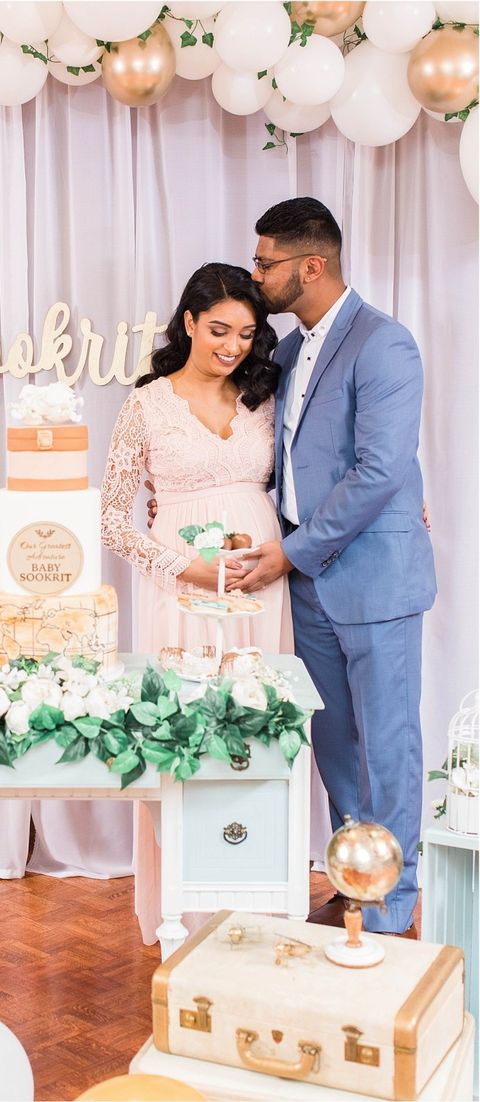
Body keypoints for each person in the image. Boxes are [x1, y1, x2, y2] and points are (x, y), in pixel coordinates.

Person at [225, 197, 436, 937]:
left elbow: (379, 471)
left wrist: (292, 548)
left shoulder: (385, 344)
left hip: (373, 579)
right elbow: (283, 455)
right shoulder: (286, 349)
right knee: (335, 744)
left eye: (266, 264)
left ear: (311, 266)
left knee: (388, 744)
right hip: (308, 585)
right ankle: (356, 877)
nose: (257, 277)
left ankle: (393, 902)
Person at [100, 262, 293, 944]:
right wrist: (188, 566)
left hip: (260, 594)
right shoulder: (145, 404)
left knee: (254, 736)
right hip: (178, 596)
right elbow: (113, 521)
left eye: (245, 332)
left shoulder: (264, 396)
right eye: (218, 330)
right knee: (184, 739)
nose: (232, 346)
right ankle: (186, 907)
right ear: (187, 322)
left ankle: (256, 903)